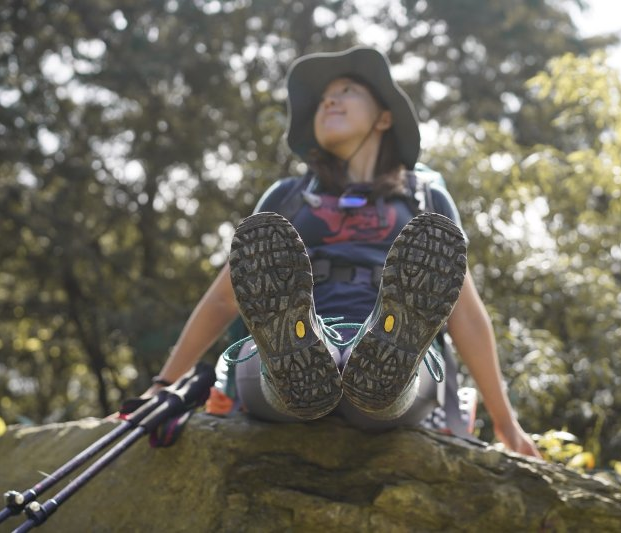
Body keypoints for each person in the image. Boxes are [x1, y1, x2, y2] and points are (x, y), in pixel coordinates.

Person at [144, 46, 540, 458]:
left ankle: (379, 349)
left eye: (347, 90)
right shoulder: (288, 196)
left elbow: (464, 312)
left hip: (400, 364)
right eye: (323, 99)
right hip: (284, 352)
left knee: (383, 373)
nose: (328, 100)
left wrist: (507, 424)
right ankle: (301, 349)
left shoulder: (425, 199)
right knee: (291, 361)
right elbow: (226, 295)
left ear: (384, 117)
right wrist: (162, 384)